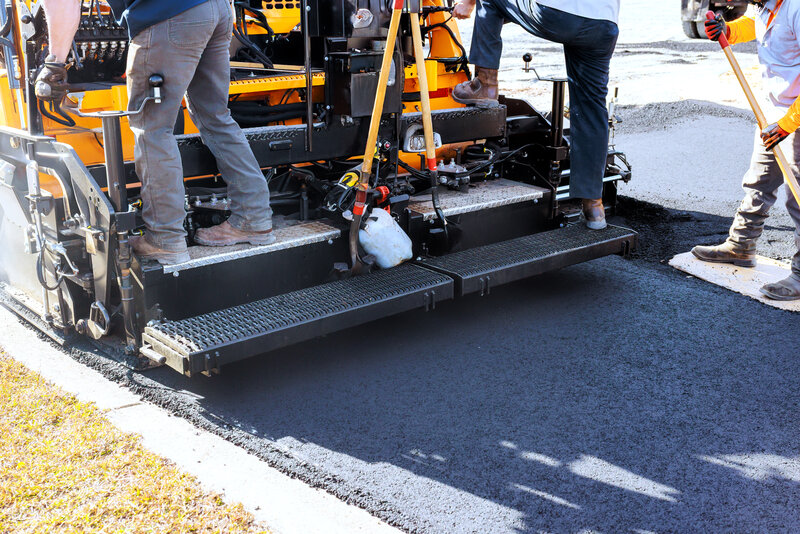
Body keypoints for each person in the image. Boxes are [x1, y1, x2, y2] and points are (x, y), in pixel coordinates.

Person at [35, 0, 274, 265]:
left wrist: (54, 63)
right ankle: (254, 217)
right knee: (216, 117)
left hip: (169, 16)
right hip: (216, 10)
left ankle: (164, 239)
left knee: (153, 128)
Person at [451, 0, 620, 230]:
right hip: (603, 23)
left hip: (560, 13)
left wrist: (469, 3)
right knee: (592, 107)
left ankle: (485, 84)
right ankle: (594, 208)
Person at [692, 1, 800, 301]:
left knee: (798, 197)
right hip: (773, 113)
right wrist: (728, 30)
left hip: (795, 117)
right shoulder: (767, 7)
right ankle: (741, 246)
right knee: (759, 182)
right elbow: (756, 27)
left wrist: (789, 123)